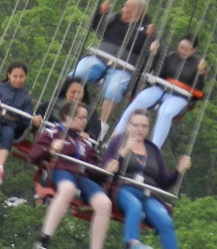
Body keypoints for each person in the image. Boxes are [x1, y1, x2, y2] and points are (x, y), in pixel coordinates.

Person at [28, 99, 114, 249]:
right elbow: (34, 155)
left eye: (85, 118)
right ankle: (44, 238)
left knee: (104, 203)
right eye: (81, 117)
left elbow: (93, 168)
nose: (84, 122)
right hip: (60, 170)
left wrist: (106, 170)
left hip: (81, 176)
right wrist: (51, 149)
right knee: (68, 189)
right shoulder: (52, 133)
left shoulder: (85, 143)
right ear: (68, 117)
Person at [71, 0, 159, 138]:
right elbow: (97, 27)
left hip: (124, 67)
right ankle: (64, 107)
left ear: (137, 13)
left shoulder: (147, 29)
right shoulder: (115, 19)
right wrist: (100, 13)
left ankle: (101, 127)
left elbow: (151, 57)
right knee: (78, 73)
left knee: (114, 88)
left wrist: (152, 44)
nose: (123, 10)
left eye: (127, 8)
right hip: (100, 58)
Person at [102, 108, 190, 249]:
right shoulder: (117, 142)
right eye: (136, 125)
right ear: (128, 125)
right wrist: (124, 152)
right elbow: (107, 168)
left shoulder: (152, 149)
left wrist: (178, 171)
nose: (140, 129)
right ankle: (131, 242)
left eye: (144, 126)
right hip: (123, 188)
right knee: (134, 206)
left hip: (147, 193)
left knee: (165, 220)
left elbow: (163, 182)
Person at [112, 35, 208, 148]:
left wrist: (201, 74)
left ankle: (154, 148)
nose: (183, 51)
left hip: (180, 96)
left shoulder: (197, 64)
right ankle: (116, 134)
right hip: (162, 88)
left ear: (194, 50)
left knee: (165, 112)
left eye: (187, 49)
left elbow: (198, 89)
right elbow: (158, 73)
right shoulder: (171, 57)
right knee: (140, 99)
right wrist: (155, 55)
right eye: (181, 47)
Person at [38, 76, 103, 140]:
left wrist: (88, 136)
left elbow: (94, 132)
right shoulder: (53, 103)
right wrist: (37, 119)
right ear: (66, 91)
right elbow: (39, 113)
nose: (76, 96)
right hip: (48, 138)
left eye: (80, 93)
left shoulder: (91, 113)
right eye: (73, 92)